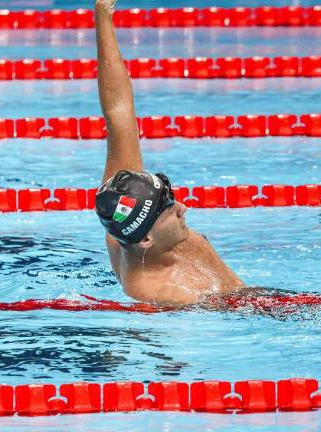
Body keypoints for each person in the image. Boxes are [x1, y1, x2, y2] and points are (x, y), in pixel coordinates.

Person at [92, 0, 245, 306]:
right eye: (171, 211)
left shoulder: (124, 204)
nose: (184, 208)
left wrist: (103, 16)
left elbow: (118, 112)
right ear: (146, 238)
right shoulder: (161, 294)